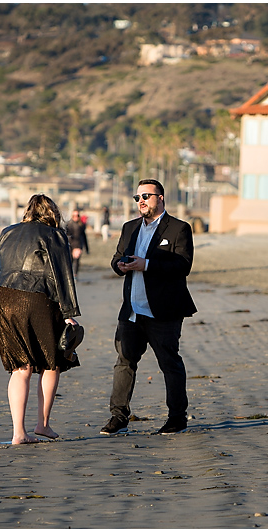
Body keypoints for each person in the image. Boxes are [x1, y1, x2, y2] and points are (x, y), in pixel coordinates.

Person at [101, 178, 197, 436]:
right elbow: (116, 258)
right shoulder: (129, 227)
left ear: (161, 198)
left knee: (170, 364)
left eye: (146, 196)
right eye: (138, 197)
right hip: (131, 310)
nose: (141, 201)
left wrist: (148, 265)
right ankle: (118, 417)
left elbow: (183, 266)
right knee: (124, 362)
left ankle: (177, 418)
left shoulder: (179, 229)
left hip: (163, 311)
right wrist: (119, 266)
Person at [0, 194, 81, 444]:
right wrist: (68, 313)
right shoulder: (55, 235)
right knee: (52, 361)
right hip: (36, 295)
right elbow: (63, 274)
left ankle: (18, 433)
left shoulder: (7, 231)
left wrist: (1, 293)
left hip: (2, 294)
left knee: (21, 366)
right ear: (52, 213)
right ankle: (42, 425)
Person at [66, 208, 89, 278]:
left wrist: (87, 248)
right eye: (74, 215)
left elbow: (84, 237)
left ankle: (75, 274)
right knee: (70, 261)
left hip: (78, 245)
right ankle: (70, 275)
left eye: (77, 215)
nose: (75, 217)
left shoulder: (81, 225)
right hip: (70, 245)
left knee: (77, 260)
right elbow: (66, 236)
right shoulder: (68, 224)